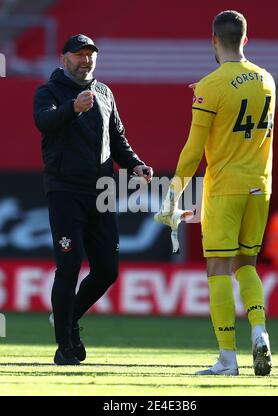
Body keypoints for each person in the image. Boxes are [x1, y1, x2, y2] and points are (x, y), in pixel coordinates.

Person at [155, 11, 275, 376]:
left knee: (218, 267)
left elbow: (192, 152)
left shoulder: (211, 85)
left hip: (224, 188)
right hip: (260, 186)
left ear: (213, 40)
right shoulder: (267, 78)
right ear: (245, 40)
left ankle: (227, 358)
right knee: (247, 264)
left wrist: (173, 194)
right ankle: (260, 331)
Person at [33, 34, 153, 365]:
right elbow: (44, 122)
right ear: (64, 58)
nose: (86, 60)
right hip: (65, 189)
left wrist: (135, 164)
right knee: (69, 266)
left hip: (102, 190)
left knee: (107, 270)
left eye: (90, 55)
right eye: (79, 55)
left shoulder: (104, 92)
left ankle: (67, 319)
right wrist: (72, 108)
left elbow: (117, 139)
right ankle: (64, 347)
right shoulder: (49, 91)